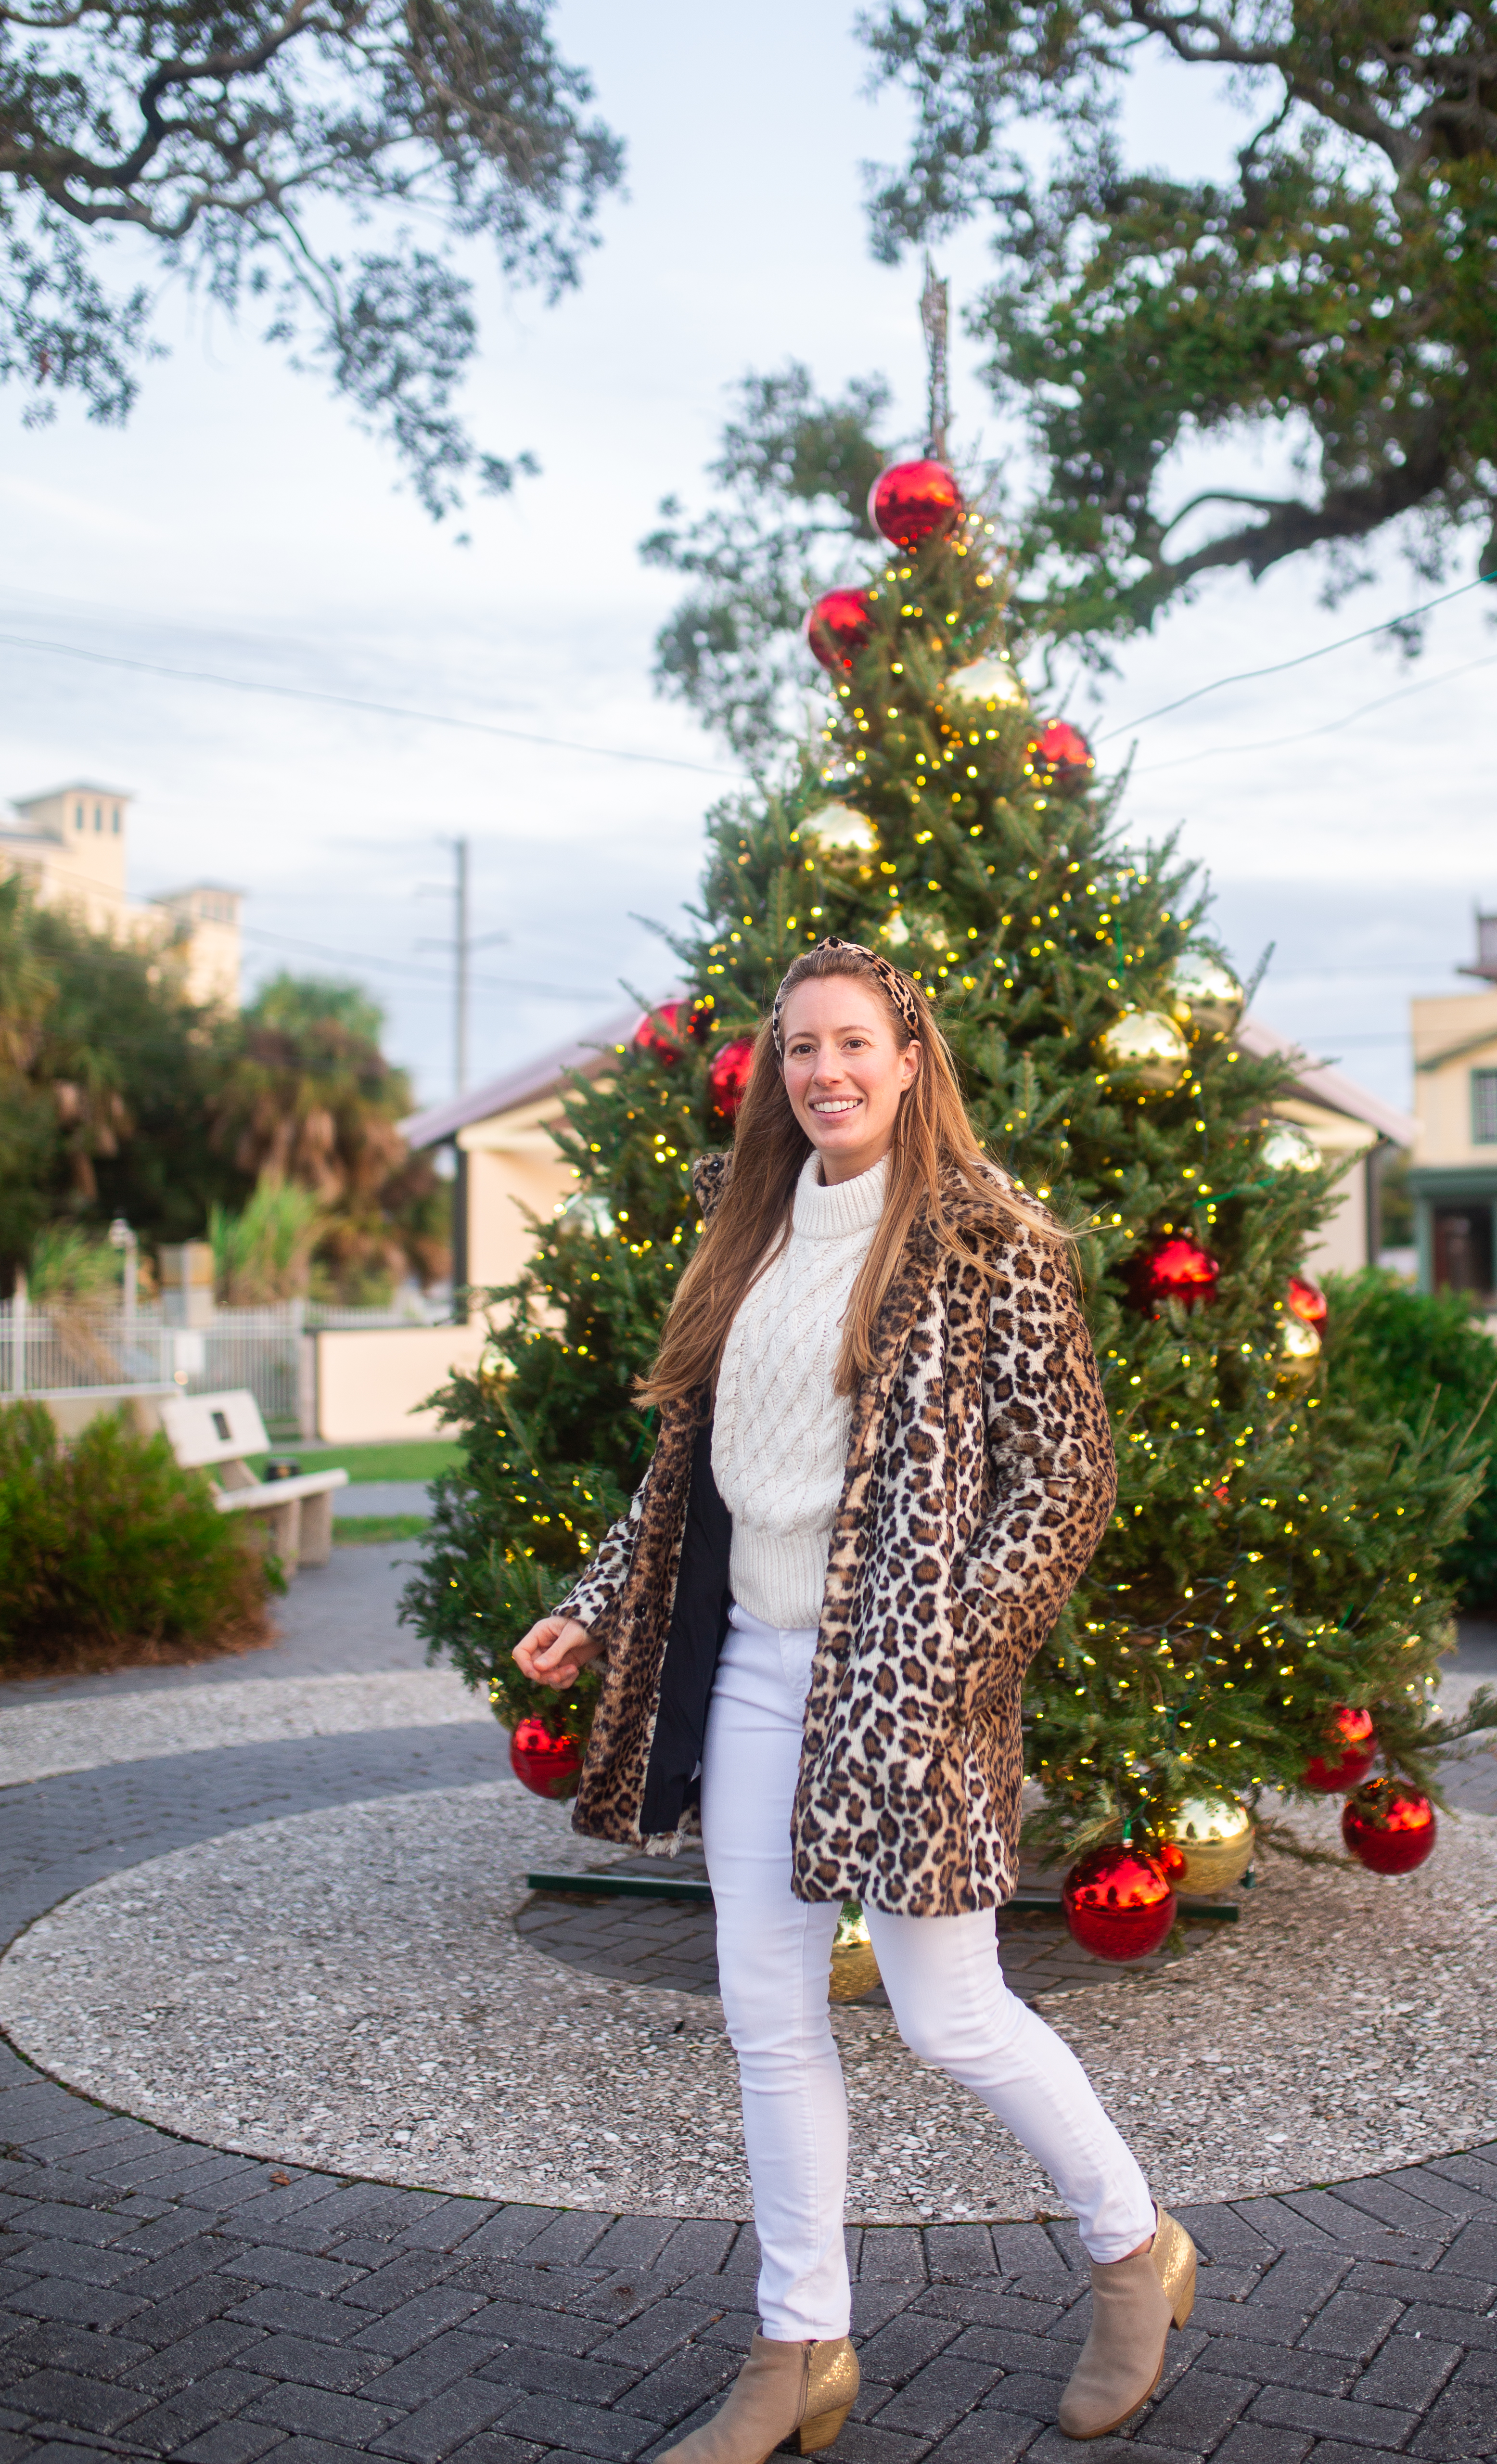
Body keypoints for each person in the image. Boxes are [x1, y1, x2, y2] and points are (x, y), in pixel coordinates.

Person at [513, 939, 1195, 2461]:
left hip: (908, 1684)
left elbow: (1068, 1484)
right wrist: (592, 1602)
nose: (825, 1071)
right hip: (753, 1667)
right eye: (800, 1048)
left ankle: (1132, 2247)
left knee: (949, 2014)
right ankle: (799, 2346)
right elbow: (691, 1466)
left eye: (854, 1045)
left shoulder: (984, 1237)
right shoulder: (749, 1228)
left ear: (909, 1060)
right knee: (768, 2016)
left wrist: (951, 1660)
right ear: (776, 1072)